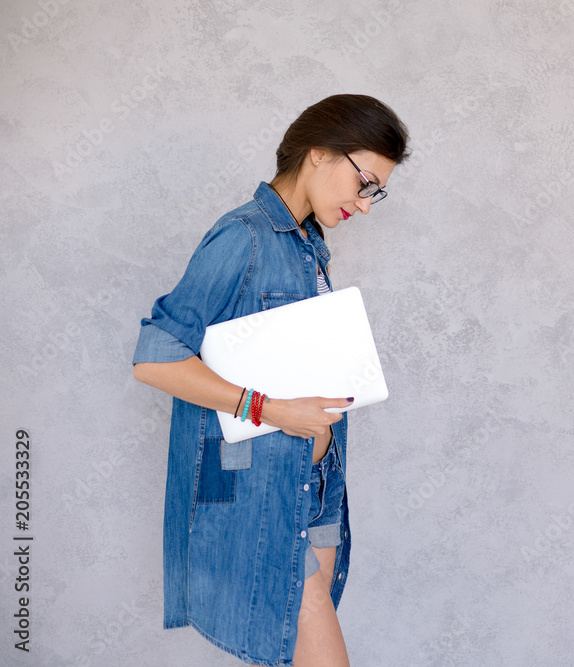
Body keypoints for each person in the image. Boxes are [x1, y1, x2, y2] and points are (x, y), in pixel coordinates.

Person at [132, 94, 410, 666]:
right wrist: (272, 410)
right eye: (364, 182)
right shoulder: (244, 236)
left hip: (317, 486)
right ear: (318, 154)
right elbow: (156, 357)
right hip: (264, 492)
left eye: (375, 191)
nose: (365, 202)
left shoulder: (310, 246)